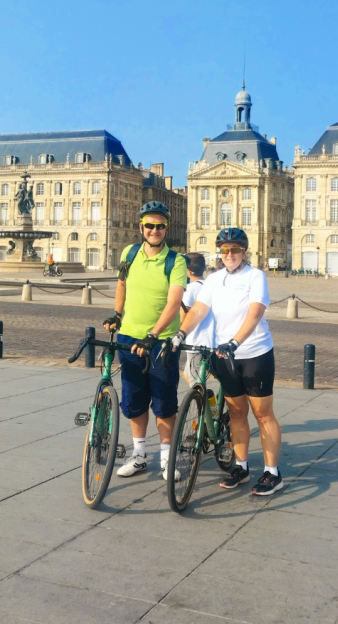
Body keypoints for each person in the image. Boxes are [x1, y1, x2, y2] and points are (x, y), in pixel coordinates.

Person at [172, 227, 283, 497]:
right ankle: (241, 466)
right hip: (222, 354)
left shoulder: (255, 276)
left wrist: (235, 341)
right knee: (236, 412)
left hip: (254, 353)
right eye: (224, 250)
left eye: (235, 250)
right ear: (219, 253)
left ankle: (272, 472)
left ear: (244, 252)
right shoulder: (213, 279)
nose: (229, 254)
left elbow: (256, 312)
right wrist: (180, 334)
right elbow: (199, 309)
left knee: (262, 414)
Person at [103, 201, 186, 480]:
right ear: (141, 227)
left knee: (163, 402)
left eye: (160, 226)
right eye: (149, 225)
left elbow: (174, 302)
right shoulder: (130, 251)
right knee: (134, 400)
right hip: (129, 337)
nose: (154, 230)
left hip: (161, 341)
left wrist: (153, 335)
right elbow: (122, 284)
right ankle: (139, 455)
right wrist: (117, 314)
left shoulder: (177, 261)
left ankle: (166, 458)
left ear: (166, 228)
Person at [180, 253, 214, 385]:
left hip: (196, 340)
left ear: (188, 271)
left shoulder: (190, 289)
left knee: (196, 384)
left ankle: (208, 405)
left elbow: (184, 316)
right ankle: (210, 401)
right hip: (210, 339)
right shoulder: (208, 285)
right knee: (187, 375)